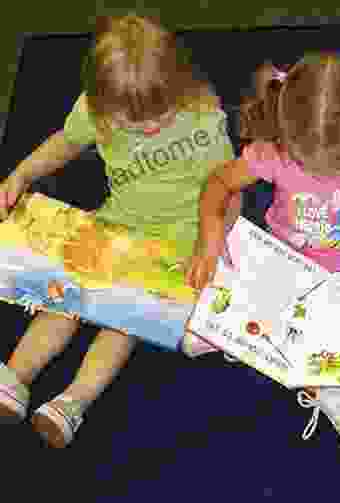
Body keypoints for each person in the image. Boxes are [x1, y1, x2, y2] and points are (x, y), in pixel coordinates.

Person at [0, 13, 241, 447]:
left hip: (175, 242)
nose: (149, 128)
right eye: (132, 124)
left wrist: (212, 243)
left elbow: (230, 187)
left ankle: (74, 400)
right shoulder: (97, 107)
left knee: (125, 320)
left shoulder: (204, 117)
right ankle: (15, 375)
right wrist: (22, 173)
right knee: (64, 295)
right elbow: (66, 143)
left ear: (179, 84)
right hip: (116, 223)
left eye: (160, 116)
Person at [186, 51, 340, 458]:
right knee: (227, 282)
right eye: (310, 164)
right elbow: (218, 185)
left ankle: (332, 385)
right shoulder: (274, 150)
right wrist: (208, 242)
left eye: (337, 164)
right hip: (280, 258)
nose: (324, 173)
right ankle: (241, 332)